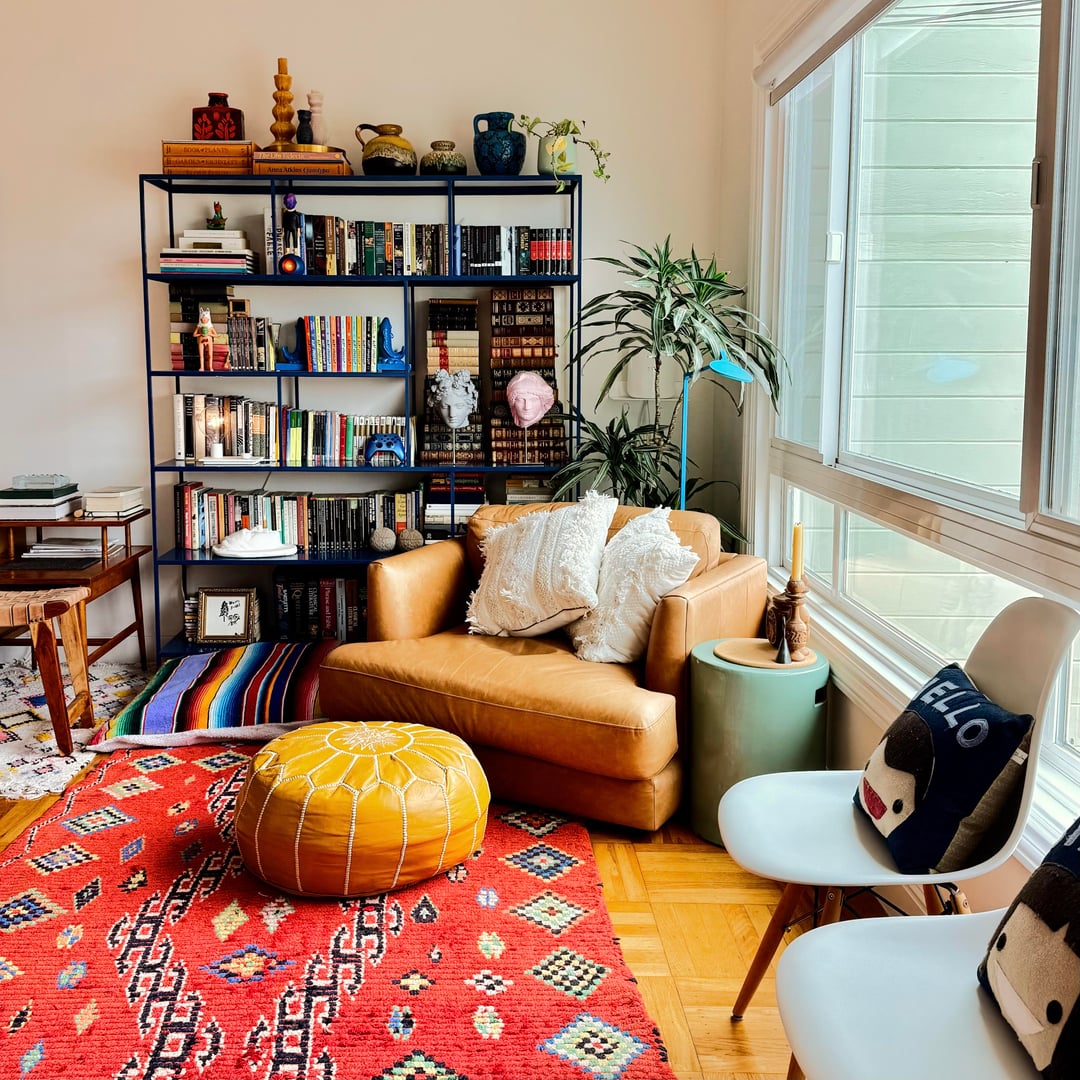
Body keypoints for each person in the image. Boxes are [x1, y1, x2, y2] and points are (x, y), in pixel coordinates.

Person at [192, 306, 217, 371]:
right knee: (201, 355)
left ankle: (210, 367)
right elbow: (194, 335)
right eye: (202, 319)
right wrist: (200, 334)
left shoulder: (210, 327)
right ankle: (202, 367)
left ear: (208, 319)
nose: (204, 320)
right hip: (201, 341)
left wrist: (209, 334)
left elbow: (216, 335)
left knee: (210, 355)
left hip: (209, 341)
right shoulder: (199, 327)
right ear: (200, 319)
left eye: (205, 319)